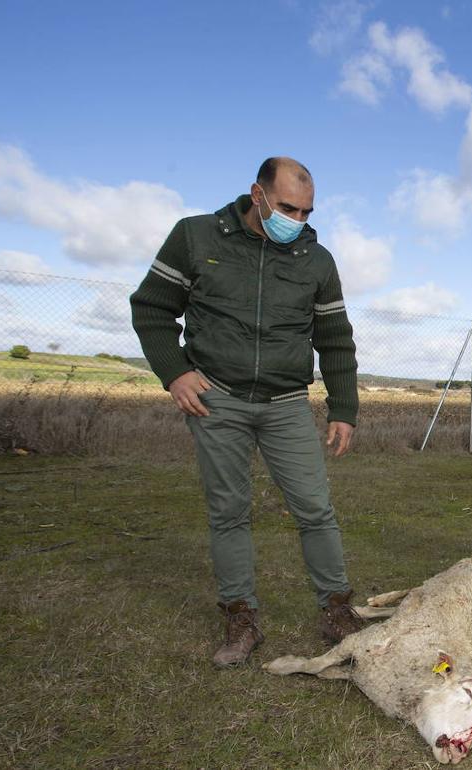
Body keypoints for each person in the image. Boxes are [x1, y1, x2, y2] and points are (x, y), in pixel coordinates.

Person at [130, 157, 364, 667]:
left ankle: (337, 610)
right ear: (257, 194)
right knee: (229, 511)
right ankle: (241, 617)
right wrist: (175, 371)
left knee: (315, 508)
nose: (296, 220)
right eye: (287, 207)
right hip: (219, 402)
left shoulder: (316, 260)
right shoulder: (195, 237)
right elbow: (151, 308)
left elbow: (335, 340)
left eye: (306, 212)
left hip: (286, 406)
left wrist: (343, 407)